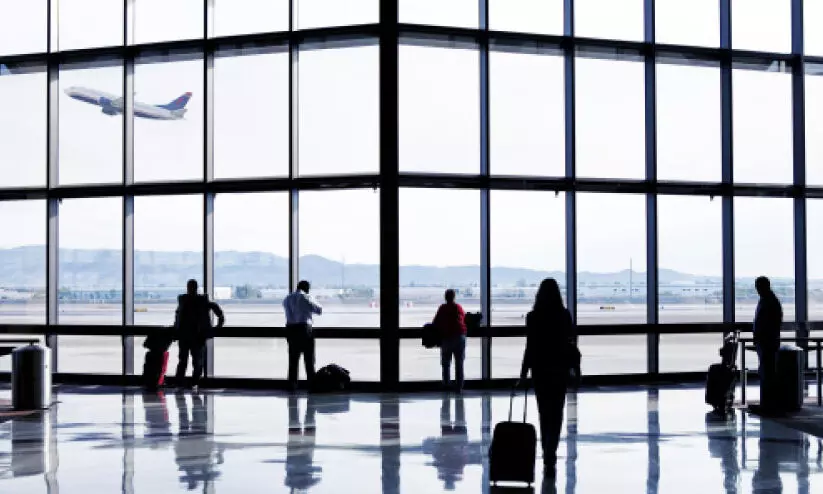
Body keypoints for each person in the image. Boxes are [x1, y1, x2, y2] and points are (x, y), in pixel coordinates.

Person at [518, 278, 576, 477]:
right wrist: (574, 368)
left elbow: (530, 347)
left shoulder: (533, 317)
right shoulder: (564, 315)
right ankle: (551, 451)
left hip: (540, 370)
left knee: (544, 413)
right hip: (559, 369)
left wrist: (523, 374)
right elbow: (570, 343)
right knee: (557, 412)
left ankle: (546, 452)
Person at [174, 279, 225, 391]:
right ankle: (191, 382)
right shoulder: (201, 301)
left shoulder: (185, 301)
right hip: (194, 336)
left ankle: (185, 383)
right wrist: (219, 324)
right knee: (194, 361)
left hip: (191, 336)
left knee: (188, 361)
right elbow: (216, 309)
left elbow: (178, 317)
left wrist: (219, 323)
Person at [283, 280, 323, 391]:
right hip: (304, 329)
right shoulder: (306, 297)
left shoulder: (287, 299)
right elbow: (319, 310)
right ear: (307, 288)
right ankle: (311, 384)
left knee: (293, 360)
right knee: (309, 359)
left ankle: (292, 385)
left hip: (290, 329)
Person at [753, 276, 783, 411]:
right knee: (767, 372)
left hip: (767, 342)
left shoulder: (768, 301)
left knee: (768, 372)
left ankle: (768, 404)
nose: (757, 290)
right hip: (767, 341)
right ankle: (767, 403)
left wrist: (760, 335)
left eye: (758, 287)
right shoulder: (769, 300)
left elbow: (767, 323)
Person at [432, 289, 467, 392]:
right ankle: (459, 386)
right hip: (459, 337)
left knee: (446, 363)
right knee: (459, 363)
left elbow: (435, 322)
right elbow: (464, 319)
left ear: (445, 297)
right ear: (454, 297)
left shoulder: (442, 308)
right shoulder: (458, 307)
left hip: (446, 338)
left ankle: (446, 384)